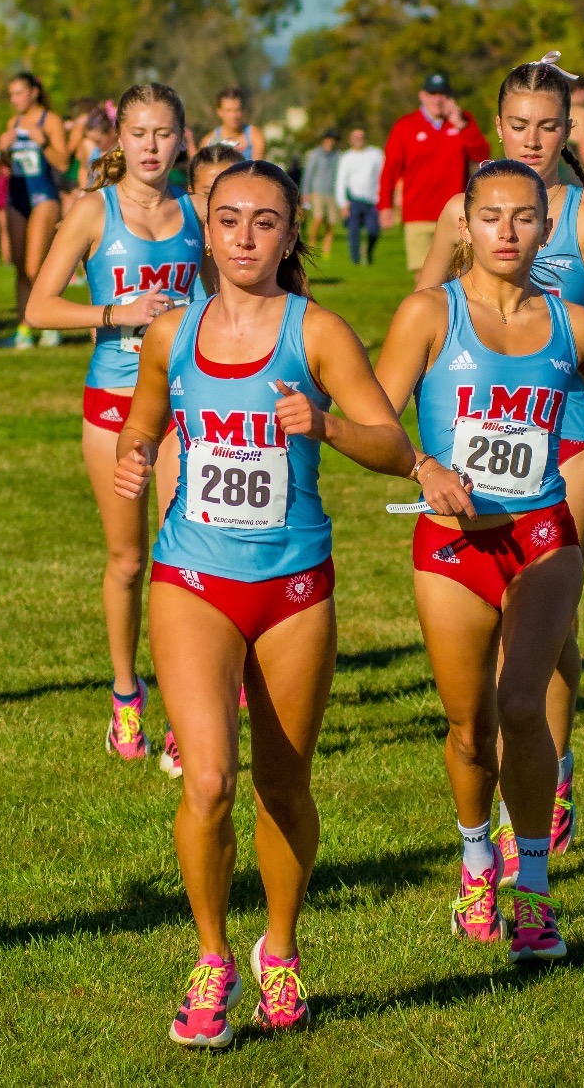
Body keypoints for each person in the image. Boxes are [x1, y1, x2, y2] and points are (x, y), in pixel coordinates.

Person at [115, 160, 413, 1046]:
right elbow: (144, 415)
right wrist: (136, 450)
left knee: (283, 786)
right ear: (205, 232)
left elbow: (394, 444)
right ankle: (211, 961)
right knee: (207, 779)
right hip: (193, 576)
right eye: (230, 220)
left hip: (293, 588)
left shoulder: (317, 334)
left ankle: (277, 949)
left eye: (266, 223)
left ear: (291, 237)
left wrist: (324, 425)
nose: (246, 238)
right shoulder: (174, 332)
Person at [378, 157, 584, 964]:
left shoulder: (575, 324)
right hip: (453, 544)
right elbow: (375, 415)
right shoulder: (429, 314)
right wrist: (420, 468)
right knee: (469, 727)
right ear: (465, 222)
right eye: (491, 216)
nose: (508, 231)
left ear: (547, 226)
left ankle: (531, 889)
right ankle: (476, 859)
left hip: (543, 534)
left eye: (524, 217)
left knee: (520, 706)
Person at [416, 56, 584, 865]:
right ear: (499, 127)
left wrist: (571, 358)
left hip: (574, 433)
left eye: (549, 126)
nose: (533, 140)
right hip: (475, 443)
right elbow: (421, 316)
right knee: (507, 627)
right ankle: (517, 781)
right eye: (519, 125)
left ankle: (549, 776)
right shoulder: (471, 212)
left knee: (545, 613)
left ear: (571, 132)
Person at [23, 83, 207, 769]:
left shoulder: (200, 211)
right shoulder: (91, 212)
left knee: (187, 558)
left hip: (188, 410)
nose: (152, 147)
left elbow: (225, 301)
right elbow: (40, 307)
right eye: (140, 134)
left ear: (181, 138)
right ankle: (127, 693)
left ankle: (187, 711)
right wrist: (115, 314)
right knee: (129, 559)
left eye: (164, 134)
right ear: (119, 140)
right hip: (113, 406)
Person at [380, 73, 491, 279]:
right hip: (419, 214)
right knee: (426, 279)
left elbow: (482, 155)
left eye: (443, 94)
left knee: (460, 277)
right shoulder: (406, 126)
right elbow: (390, 169)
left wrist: (461, 125)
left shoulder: (462, 122)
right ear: (422, 96)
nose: (437, 99)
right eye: (432, 94)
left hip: (456, 213)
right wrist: (385, 205)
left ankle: (456, 312)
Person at [0, 72, 71, 350]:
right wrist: (3, 151)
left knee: (35, 265)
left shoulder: (49, 121)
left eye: (19, 93)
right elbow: (9, 164)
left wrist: (45, 142)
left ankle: (49, 326)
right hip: (17, 197)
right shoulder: (13, 123)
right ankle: (24, 327)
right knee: (19, 267)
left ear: (33, 93)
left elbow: (63, 162)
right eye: (11, 94)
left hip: (44, 196)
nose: (14, 99)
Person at [335, 127, 383, 265]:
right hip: (354, 199)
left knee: (373, 230)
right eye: (356, 138)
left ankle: (368, 252)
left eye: (361, 137)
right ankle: (355, 259)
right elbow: (341, 181)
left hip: (373, 199)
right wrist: (342, 203)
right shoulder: (346, 157)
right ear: (351, 140)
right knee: (354, 231)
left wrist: (383, 198)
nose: (359, 141)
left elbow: (382, 176)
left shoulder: (376, 154)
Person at [300, 129, 341, 258]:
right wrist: (306, 192)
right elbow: (308, 174)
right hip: (317, 192)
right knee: (318, 218)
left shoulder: (337, 155)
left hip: (332, 193)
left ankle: (326, 250)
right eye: (328, 140)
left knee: (331, 222)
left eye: (333, 141)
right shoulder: (316, 154)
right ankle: (311, 244)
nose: (331, 143)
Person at [196, 86, 265, 161]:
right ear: (219, 112)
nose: (234, 116)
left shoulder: (254, 135)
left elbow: (257, 169)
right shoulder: (208, 142)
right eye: (228, 111)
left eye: (237, 110)